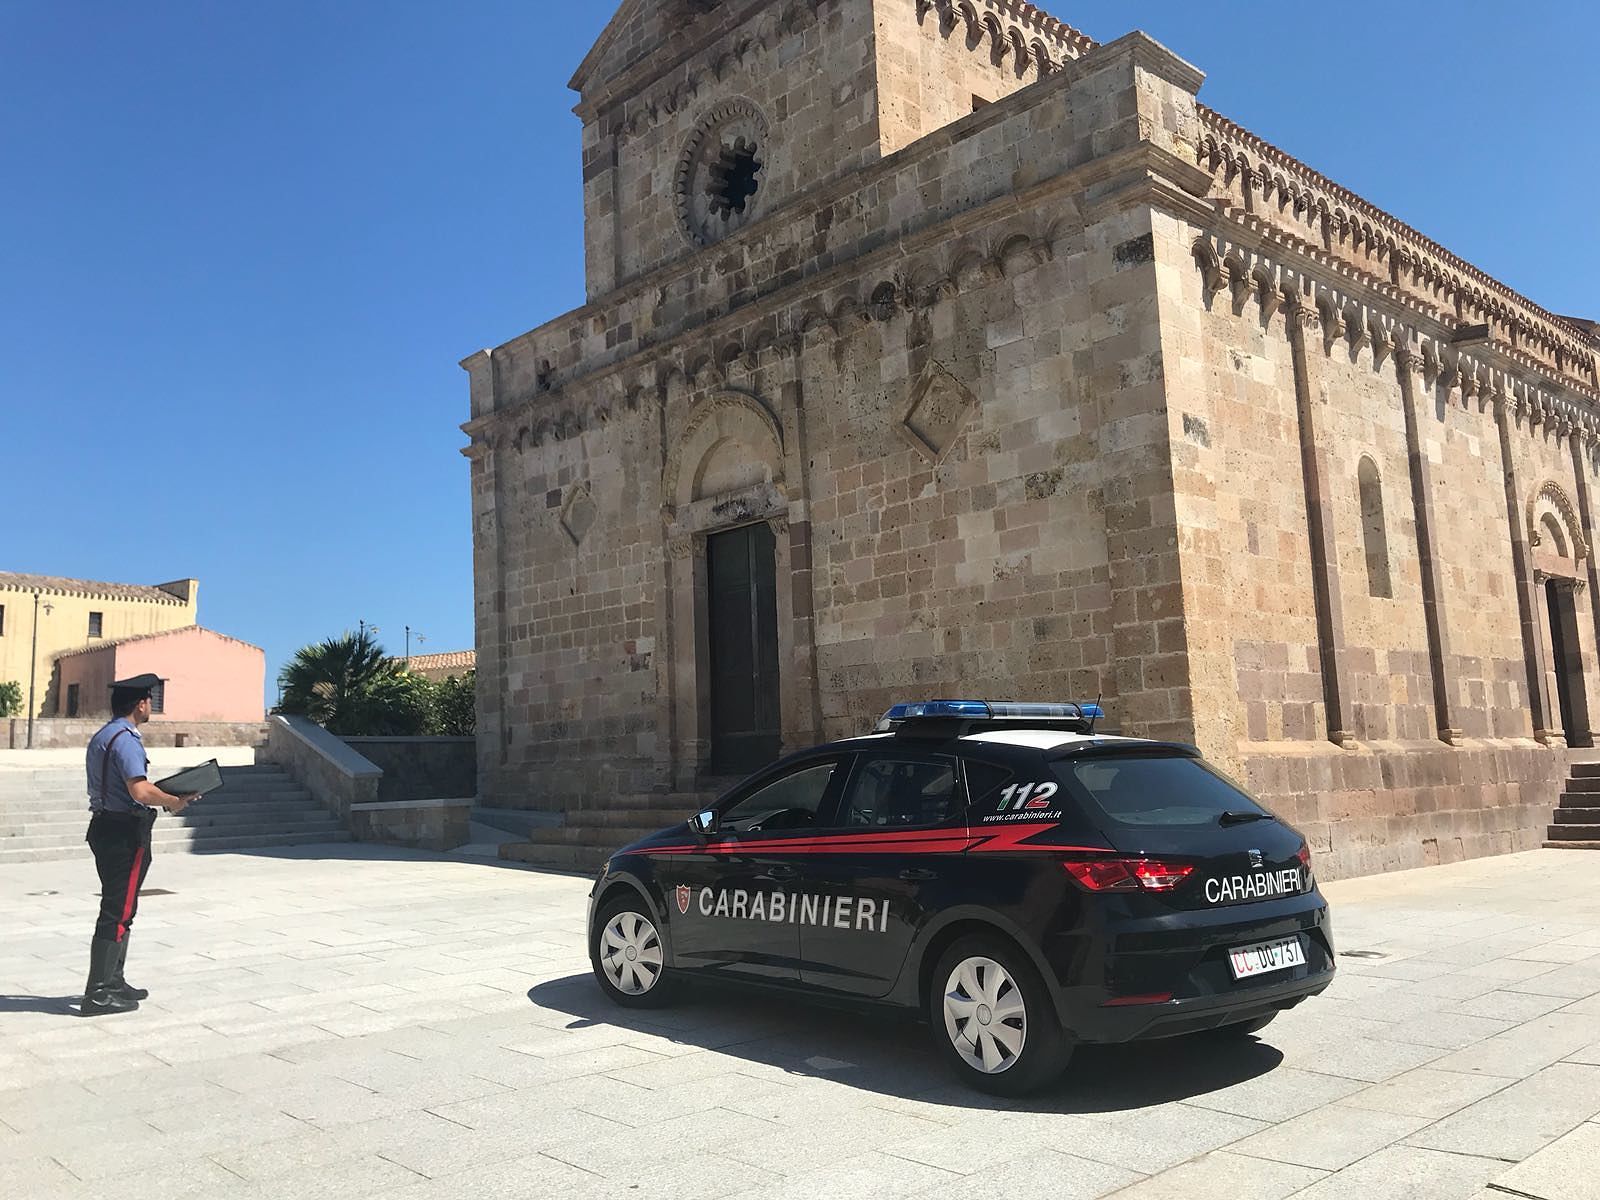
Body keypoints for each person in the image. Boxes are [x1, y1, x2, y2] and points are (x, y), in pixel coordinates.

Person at [81, 673, 200, 1017]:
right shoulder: (127, 739)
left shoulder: (105, 734)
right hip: (123, 832)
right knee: (117, 910)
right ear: (141, 704)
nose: (151, 705)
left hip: (106, 827)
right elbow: (140, 790)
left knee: (123, 907)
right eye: (149, 700)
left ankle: (114, 981)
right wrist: (173, 800)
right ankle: (99, 991)